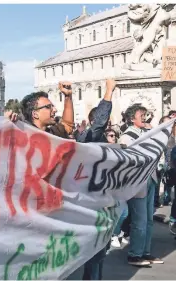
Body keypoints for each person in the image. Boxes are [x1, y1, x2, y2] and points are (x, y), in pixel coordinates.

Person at [74, 79, 117, 280]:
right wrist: (108, 91)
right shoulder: (89, 137)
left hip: (102, 201)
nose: (107, 125)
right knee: (94, 253)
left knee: (100, 253)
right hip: (90, 203)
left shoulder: (97, 139)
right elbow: (99, 122)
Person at [119, 104, 163, 266]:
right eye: (141, 115)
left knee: (148, 220)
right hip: (137, 182)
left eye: (145, 115)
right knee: (140, 219)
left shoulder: (147, 134)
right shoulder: (126, 137)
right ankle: (134, 254)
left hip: (150, 179)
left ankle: (146, 251)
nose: (145, 118)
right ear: (132, 119)